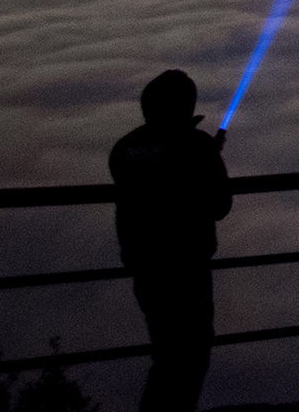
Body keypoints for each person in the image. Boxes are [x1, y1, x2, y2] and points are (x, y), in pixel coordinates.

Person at [109, 69, 232, 412]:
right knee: (190, 359)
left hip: (145, 268)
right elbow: (220, 205)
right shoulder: (196, 147)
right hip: (187, 270)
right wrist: (212, 157)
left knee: (166, 354)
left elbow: (149, 175)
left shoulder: (124, 148)